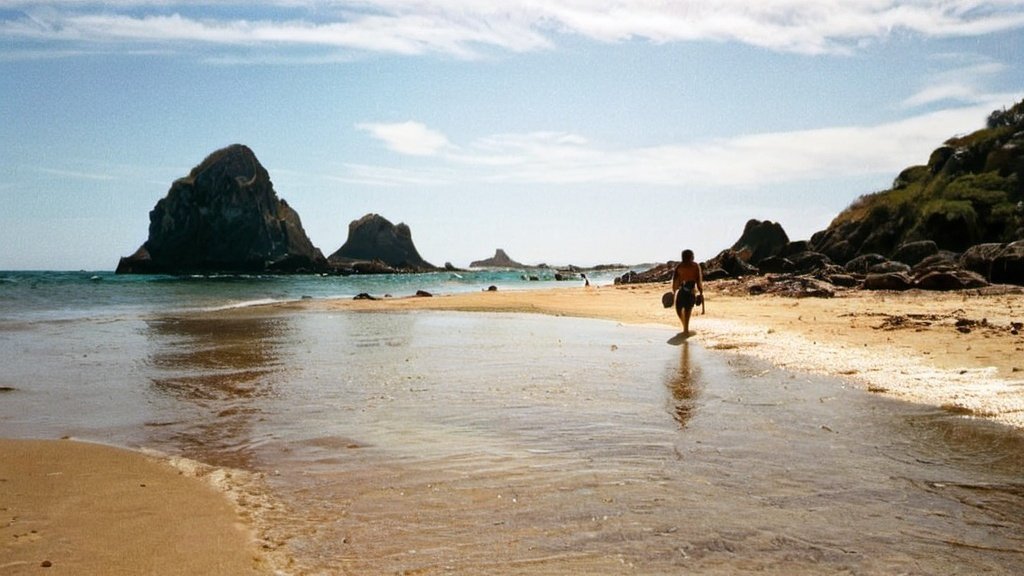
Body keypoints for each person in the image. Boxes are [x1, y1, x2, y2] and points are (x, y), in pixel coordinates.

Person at [671, 249, 704, 335]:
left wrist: (700, 292)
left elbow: (699, 279)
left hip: (691, 291)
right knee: (678, 310)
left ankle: (686, 329)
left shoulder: (695, 266)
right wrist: (674, 292)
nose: (692, 257)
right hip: (682, 291)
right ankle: (684, 326)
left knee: (687, 311)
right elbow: (675, 280)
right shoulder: (679, 267)